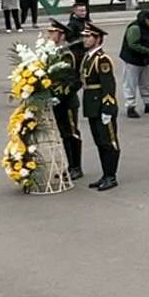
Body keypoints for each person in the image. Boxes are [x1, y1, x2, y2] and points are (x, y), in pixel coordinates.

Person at [76, 23, 120, 191]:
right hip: (91, 105)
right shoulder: (88, 57)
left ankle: (111, 176)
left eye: (88, 37)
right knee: (100, 142)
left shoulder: (102, 59)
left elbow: (108, 85)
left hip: (102, 106)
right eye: (85, 36)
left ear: (98, 39)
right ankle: (105, 174)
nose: (85, 39)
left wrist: (108, 108)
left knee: (109, 142)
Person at [42, 19, 83, 179]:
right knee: (64, 134)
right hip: (56, 100)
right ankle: (70, 165)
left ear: (61, 34)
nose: (49, 35)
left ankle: (76, 167)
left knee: (72, 133)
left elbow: (72, 80)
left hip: (68, 101)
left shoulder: (67, 54)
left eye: (52, 32)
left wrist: (59, 95)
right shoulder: (54, 52)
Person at [118, 9, 149, 117]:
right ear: (146, 20)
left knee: (145, 83)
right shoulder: (135, 28)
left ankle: (148, 103)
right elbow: (133, 44)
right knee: (130, 84)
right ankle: (130, 106)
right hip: (132, 60)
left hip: (143, 60)